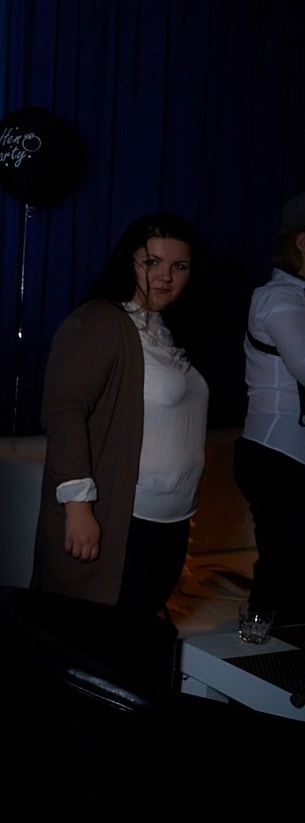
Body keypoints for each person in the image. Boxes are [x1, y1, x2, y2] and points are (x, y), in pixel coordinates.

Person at [31, 211, 209, 618]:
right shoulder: (99, 321)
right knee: (95, 639)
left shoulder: (171, 331)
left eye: (179, 266)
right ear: (129, 262)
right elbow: (65, 412)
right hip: (120, 519)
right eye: (152, 262)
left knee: (137, 639)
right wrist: (78, 508)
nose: (165, 277)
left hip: (173, 522)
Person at [233, 190, 305, 625]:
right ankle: (260, 654)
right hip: (275, 455)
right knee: (284, 569)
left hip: (287, 456)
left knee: (292, 569)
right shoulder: (278, 298)